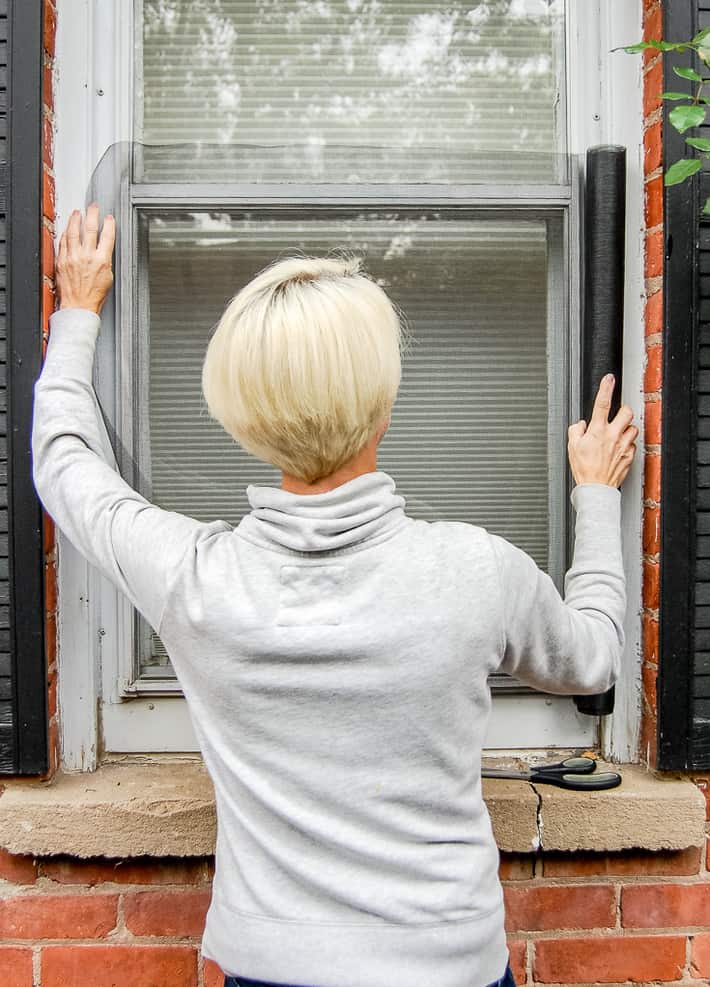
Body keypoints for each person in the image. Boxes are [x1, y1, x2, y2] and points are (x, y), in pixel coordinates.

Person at [32, 205, 636, 987]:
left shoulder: (191, 575)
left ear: (242, 419)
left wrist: (77, 312)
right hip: (449, 965)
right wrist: (594, 495)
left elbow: (65, 460)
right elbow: (593, 657)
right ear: (383, 406)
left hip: (268, 966)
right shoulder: (474, 569)